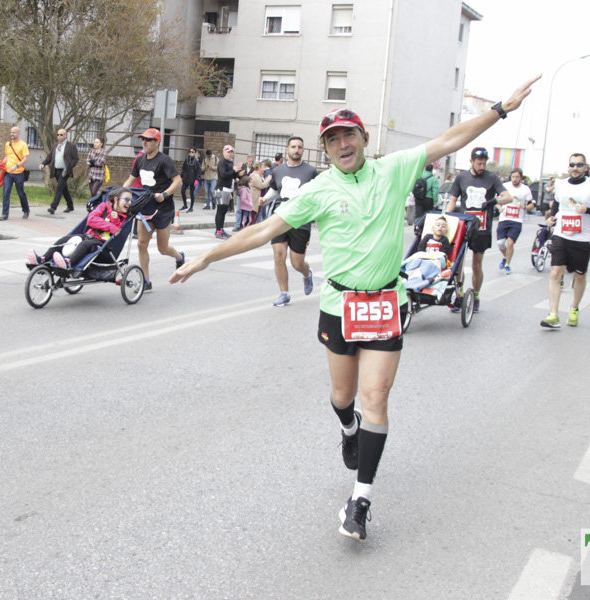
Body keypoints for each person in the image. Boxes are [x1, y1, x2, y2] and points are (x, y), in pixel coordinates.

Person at [170, 76, 539, 542]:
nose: (342, 144)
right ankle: (348, 429)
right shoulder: (318, 190)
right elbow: (262, 232)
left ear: (364, 138)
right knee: (344, 399)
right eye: (332, 139)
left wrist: (501, 110)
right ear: (325, 149)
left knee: (376, 399)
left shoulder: (394, 170)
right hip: (339, 306)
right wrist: (205, 257)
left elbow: (450, 139)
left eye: (349, 134)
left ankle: (360, 499)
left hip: (386, 302)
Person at [538, 154, 590, 329]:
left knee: (580, 275)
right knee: (555, 273)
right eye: (572, 164)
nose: (575, 168)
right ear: (568, 167)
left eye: (579, 165)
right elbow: (556, 204)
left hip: (582, 238)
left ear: (585, 167)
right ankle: (553, 314)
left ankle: (574, 308)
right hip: (561, 234)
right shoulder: (561, 184)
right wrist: (551, 218)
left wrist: (587, 209)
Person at [444, 147, 513, 312]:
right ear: (471, 161)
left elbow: (508, 197)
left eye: (484, 163)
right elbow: (453, 200)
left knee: (476, 264)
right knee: (457, 263)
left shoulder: (492, 178)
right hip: (464, 224)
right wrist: (445, 216)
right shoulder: (461, 177)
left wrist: (492, 202)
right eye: (479, 163)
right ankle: (459, 295)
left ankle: (475, 295)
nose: (482, 166)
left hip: (482, 227)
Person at [122, 127, 183, 292]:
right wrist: (119, 193)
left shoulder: (164, 160)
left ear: (157, 142)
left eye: (148, 139)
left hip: (163, 209)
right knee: (142, 244)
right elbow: (131, 179)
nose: (144, 142)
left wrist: (165, 193)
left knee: (163, 249)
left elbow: (178, 181)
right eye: (143, 139)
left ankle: (179, 256)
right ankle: (146, 281)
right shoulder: (140, 160)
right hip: (146, 208)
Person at [27, 187, 133, 272]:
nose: (129, 203)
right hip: (89, 235)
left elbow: (118, 231)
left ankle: (69, 262)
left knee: (85, 244)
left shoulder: (123, 218)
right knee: (65, 240)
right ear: (116, 199)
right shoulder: (103, 206)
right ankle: (42, 259)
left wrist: (114, 220)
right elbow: (91, 220)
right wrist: (110, 226)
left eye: (131, 201)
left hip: (103, 244)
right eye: (126, 200)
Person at [267, 136, 318, 307]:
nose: (296, 150)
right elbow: (275, 189)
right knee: (278, 256)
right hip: (280, 216)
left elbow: (317, 194)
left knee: (297, 263)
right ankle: (284, 293)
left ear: (303, 150)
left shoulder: (311, 172)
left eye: (300, 147)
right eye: (293, 147)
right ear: (287, 149)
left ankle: (306, 273)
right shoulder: (278, 171)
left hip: (301, 220)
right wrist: (263, 200)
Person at [496, 168, 536, 275]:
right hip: (504, 218)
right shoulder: (505, 186)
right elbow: (496, 200)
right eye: (513, 177)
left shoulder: (525, 189)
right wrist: (499, 207)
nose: (515, 179)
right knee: (500, 243)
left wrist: (523, 206)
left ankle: (507, 264)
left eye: (517, 177)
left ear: (521, 178)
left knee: (510, 243)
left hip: (517, 220)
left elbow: (532, 205)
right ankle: (505, 257)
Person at [41, 128, 79, 214]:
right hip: (56, 170)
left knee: (59, 188)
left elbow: (76, 158)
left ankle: (53, 207)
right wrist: (43, 164)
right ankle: (70, 205)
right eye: (58, 135)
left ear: (65, 135)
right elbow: (50, 157)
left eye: (61, 135)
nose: (59, 136)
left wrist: (69, 167)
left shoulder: (71, 146)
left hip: (65, 170)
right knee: (64, 188)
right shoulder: (55, 146)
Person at [1, 125, 30, 221]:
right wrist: (1, 163)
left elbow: (25, 159)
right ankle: (4, 214)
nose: (11, 134)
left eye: (13, 132)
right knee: (6, 193)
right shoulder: (7, 144)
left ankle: (26, 210)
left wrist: (16, 166)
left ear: (18, 133)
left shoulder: (23, 145)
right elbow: (7, 156)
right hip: (8, 173)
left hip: (19, 172)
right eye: (11, 132)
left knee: (20, 193)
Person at [214, 145, 240, 239]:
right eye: (229, 152)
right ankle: (218, 231)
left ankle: (220, 228)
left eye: (232, 152)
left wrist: (237, 172)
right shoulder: (222, 162)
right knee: (220, 210)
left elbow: (232, 176)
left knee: (224, 210)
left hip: (228, 189)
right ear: (224, 152)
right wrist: (234, 170)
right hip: (221, 189)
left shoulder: (230, 162)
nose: (230, 154)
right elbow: (223, 175)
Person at [180, 147, 202, 212]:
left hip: (193, 179)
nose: (191, 153)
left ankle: (191, 207)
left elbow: (198, 171)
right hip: (186, 179)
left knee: (191, 194)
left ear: (195, 153)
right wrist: (182, 176)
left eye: (192, 152)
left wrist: (197, 179)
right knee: (182, 191)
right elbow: (183, 169)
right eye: (190, 151)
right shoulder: (186, 160)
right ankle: (185, 205)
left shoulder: (196, 162)